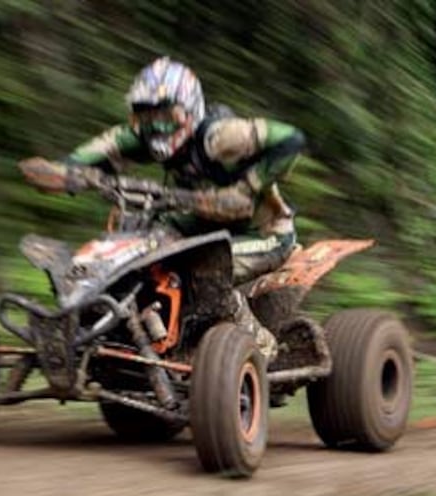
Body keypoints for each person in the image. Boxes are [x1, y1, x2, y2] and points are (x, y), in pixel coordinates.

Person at [63, 57, 305, 361]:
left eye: (166, 115)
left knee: (204, 273)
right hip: (201, 224)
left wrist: (248, 188)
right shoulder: (147, 138)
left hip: (263, 232)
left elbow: (291, 139)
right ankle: (115, 325)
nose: (156, 126)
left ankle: (263, 351)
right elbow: (105, 145)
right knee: (137, 246)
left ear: (189, 109)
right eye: (147, 117)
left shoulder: (218, 138)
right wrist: (67, 169)